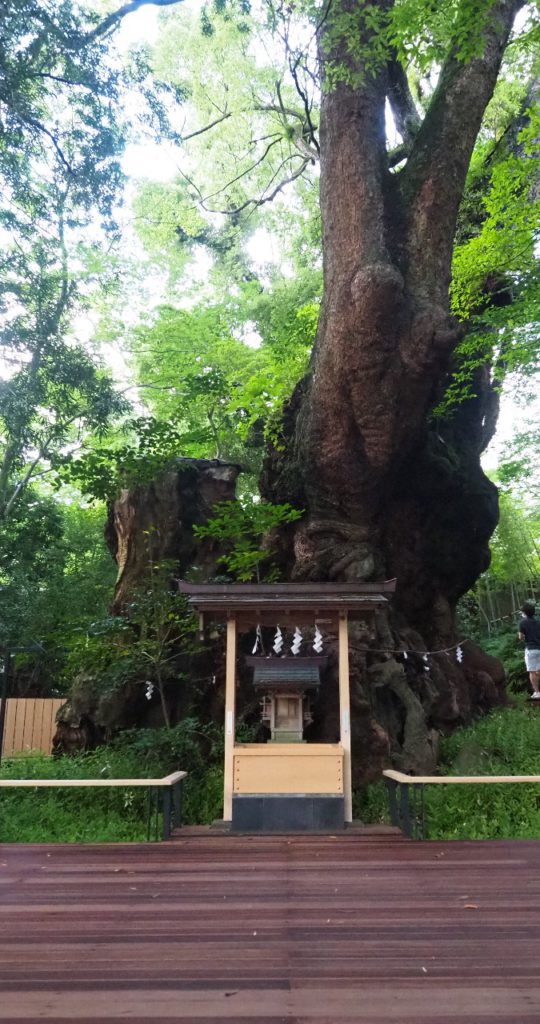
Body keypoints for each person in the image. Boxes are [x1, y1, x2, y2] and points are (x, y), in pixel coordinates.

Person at [518, 602, 540, 699]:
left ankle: (537, 692)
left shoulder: (522, 623)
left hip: (531, 649)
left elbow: (521, 637)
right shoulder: (538, 622)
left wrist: (523, 637)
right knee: (538, 670)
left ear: (524, 613)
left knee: (532, 671)